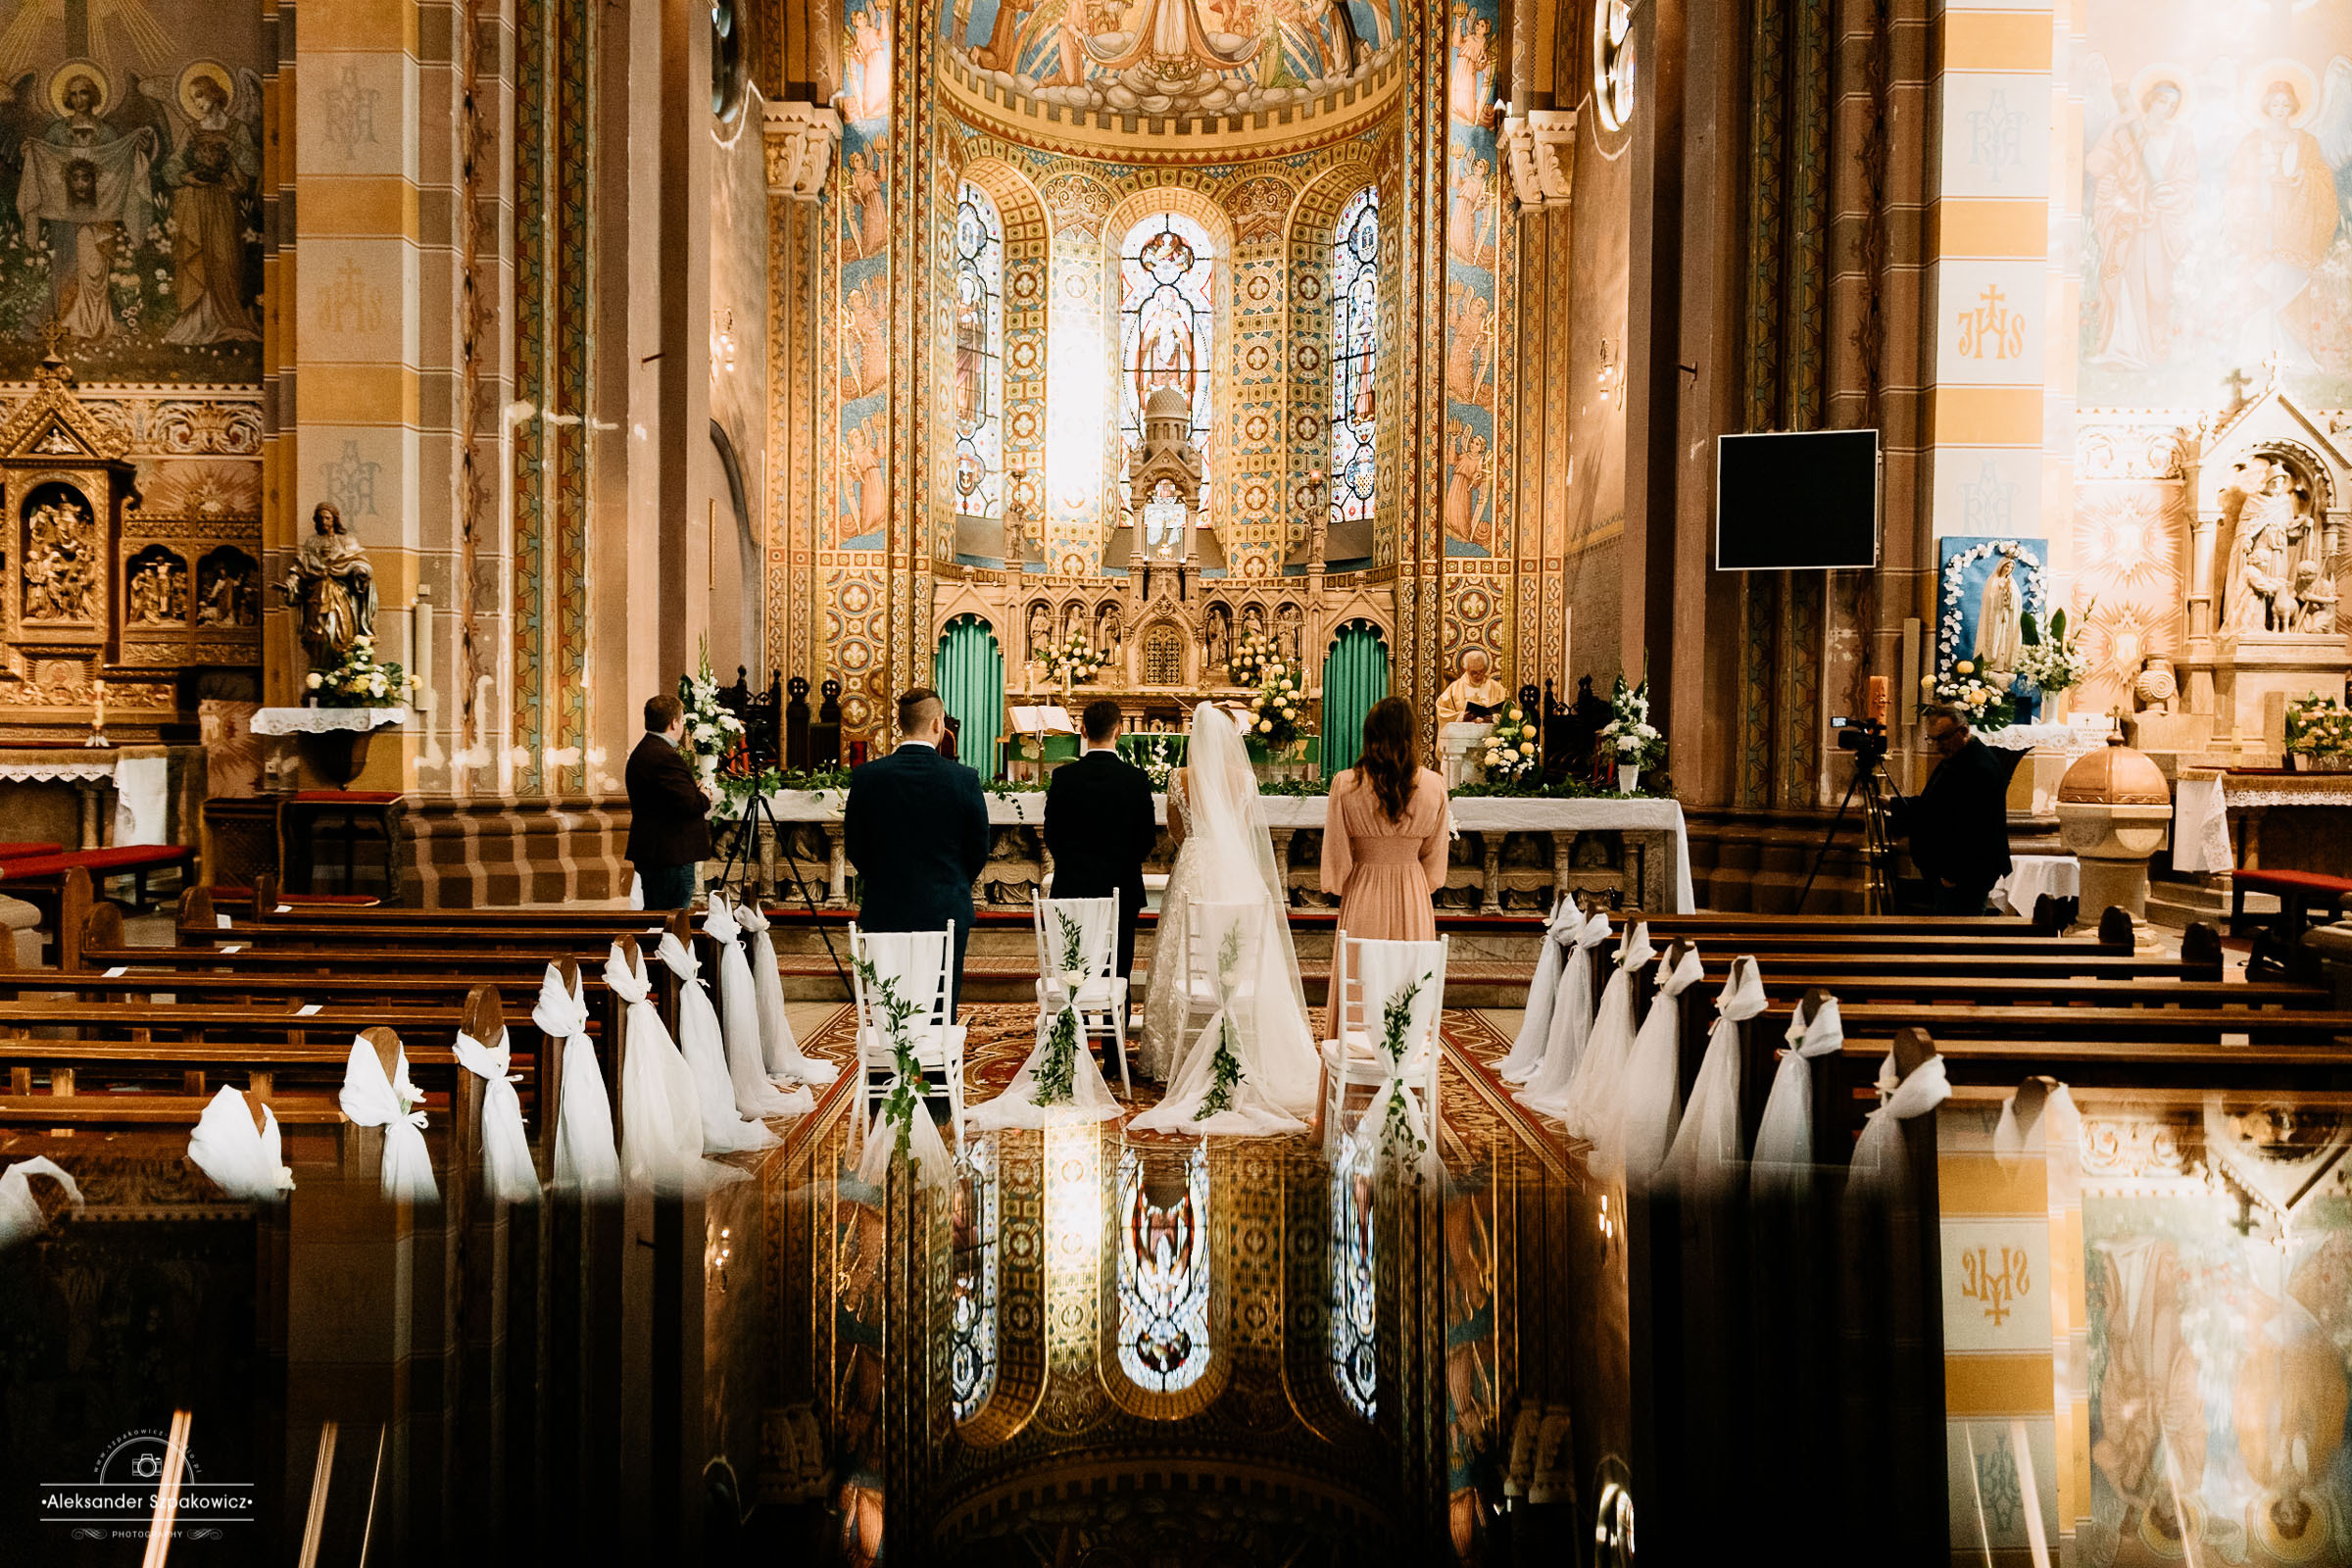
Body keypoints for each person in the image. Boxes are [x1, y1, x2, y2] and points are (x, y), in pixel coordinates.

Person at [1132, 702, 1318, 1133]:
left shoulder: (1178, 779)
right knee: (1240, 953)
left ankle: (1175, 1055)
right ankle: (1245, 1045)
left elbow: (1176, 831)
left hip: (1194, 865)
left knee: (1184, 952)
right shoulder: (1246, 780)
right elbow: (1247, 829)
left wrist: (1198, 842)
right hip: (1236, 869)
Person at [844, 688, 991, 1016]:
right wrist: (953, 881)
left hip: (886, 906)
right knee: (941, 1005)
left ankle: (886, 1068)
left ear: (899, 724)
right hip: (946, 907)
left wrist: (883, 880)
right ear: (939, 724)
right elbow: (979, 846)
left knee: (887, 1001)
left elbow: (854, 844)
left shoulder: (868, 777)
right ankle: (940, 1069)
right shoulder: (963, 779)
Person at [1043, 698, 1158, 984]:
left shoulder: (1064, 777)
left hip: (1072, 885)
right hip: (1123, 886)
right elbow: (1146, 839)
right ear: (1119, 731)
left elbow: (1052, 835)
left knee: (1073, 964)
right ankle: (1116, 1021)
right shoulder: (1136, 779)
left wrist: (1074, 865)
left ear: (1082, 730)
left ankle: (1075, 1019)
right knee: (1119, 968)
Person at [1320, 696, 1448, 941]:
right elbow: (1436, 851)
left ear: (1370, 734)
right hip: (1412, 890)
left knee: (1362, 970)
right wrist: (1425, 882)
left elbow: (1336, 846)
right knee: (1410, 973)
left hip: (1364, 889)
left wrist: (1338, 881)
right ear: (1412, 735)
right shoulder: (1434, 784)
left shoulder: (1345, 783)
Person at [1889, 705, 2012, 914]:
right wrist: (1893, 803)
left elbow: (1973, 827)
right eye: (1932, 739)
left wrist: (1954, 873)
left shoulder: (1979, 767)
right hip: (1950, 871)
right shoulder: (1957, 758)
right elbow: (1937, 805)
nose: (1937, 746)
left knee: (1959, 935)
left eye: (1943, 738)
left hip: (1964, 874)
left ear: (1964, 731)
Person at [626, 694, 713, 910]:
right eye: (682, 720)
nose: (682, 725)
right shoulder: (664, 756)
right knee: (672, 921)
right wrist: (704, 795)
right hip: (669, 854)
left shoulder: (646, 750)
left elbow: (666, 798)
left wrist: (689, 789)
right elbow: (689, 806)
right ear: (673, 722)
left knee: (659, 915)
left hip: (658, 851)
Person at [1435, 650, 1508, 725]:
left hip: (1490, 734)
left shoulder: (1497, 688)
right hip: (1463, 733)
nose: (1478, 675)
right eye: (1474, 672)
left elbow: (1507, 712)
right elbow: (1442, 711)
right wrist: (1461, 717)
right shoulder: (1454, 688)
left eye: (1481, 671)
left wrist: (1493, 718)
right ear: (1466, 669)